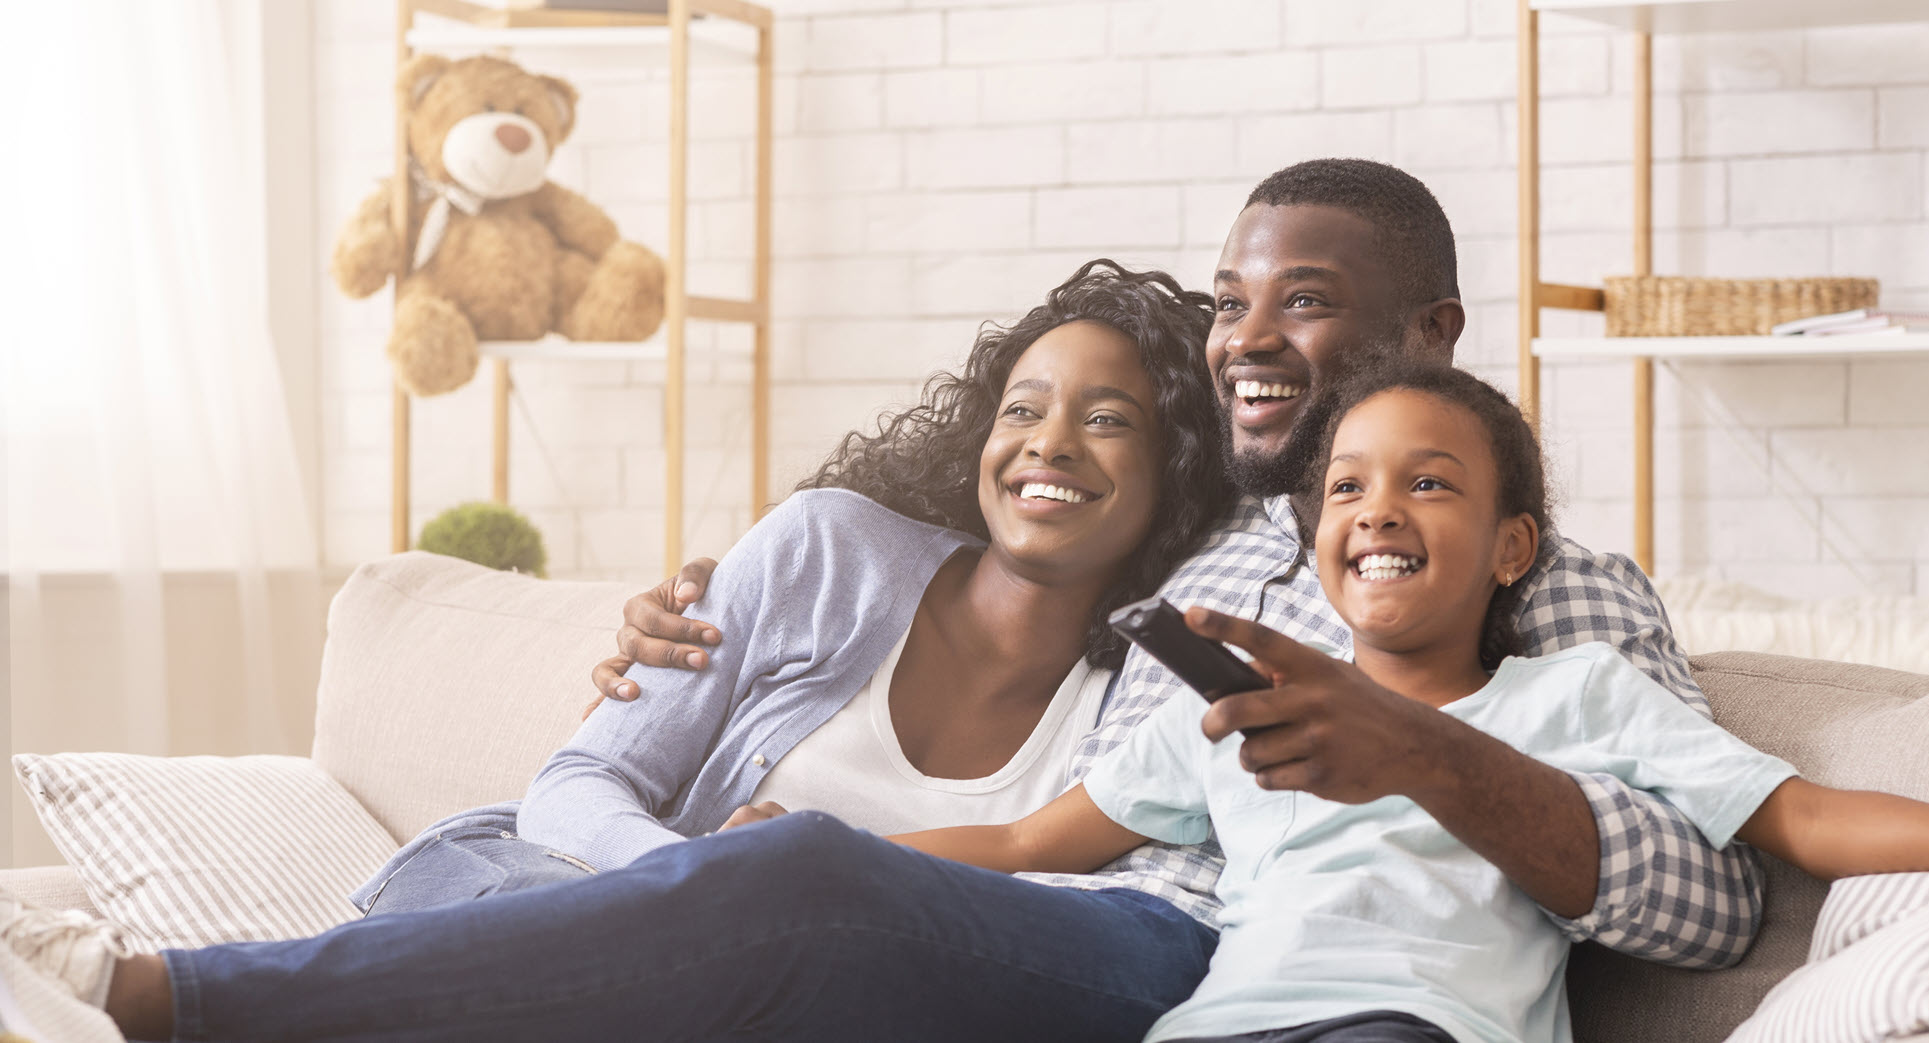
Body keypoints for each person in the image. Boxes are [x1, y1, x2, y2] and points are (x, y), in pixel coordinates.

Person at [2, 261, 1232, 1041]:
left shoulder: (1135, 705)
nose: (1047, 443)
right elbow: (577, 784)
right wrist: (690, 886)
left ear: (1170, 466)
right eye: (1022, 407)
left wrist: (778, 897)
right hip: (538, 887)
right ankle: (164, 995)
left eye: (1106, 418)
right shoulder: (827, 550)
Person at [598, 158, 1765, 964]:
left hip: (1203, 960)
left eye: (1301, 302)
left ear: (1432, 333)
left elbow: (1716, 901)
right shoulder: (1184, 539)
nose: (1246, 339)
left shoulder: (1547, 581)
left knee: (765, 925)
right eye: (1228, 303)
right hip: (1030, 922)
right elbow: (1008, 522)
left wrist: (1423, 751)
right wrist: (714, 608)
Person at [852, 358, 1929, 1043]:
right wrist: (839, 843)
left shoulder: (1576, 693)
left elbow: (1803, 817)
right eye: (1346, 486)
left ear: (1511, 547)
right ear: (1315, 548)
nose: (1378, 507)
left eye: (1429, 483)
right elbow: (1020, 836)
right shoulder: (1244, 703)